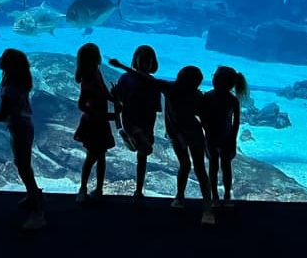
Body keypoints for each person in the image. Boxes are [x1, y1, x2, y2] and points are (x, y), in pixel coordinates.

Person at [111, 59, 214, 225]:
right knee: (198, 168)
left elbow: (146, 79)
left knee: (186, 165)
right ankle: (205, 207)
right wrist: (208, 141)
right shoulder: (195, 94)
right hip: (192, 134)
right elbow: (204, 120)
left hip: (178, 135)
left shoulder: (172, 88)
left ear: (180, 77)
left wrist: (122, 66)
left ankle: (181, 199)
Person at [0, 49, 45, 230]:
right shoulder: (21, 81)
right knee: (24, 164)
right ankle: (33, 195)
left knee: (23, 166)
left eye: (3, 58)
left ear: (10, 64)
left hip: (19, 127)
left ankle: (38, 213)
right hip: (25, 125)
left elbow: (1, 115)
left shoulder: (9, 87)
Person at [112, 44, 160, 199]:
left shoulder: (153, 82)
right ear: (135, 61)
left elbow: (155, 109)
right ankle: (128, 134)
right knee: (146, 150)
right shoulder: (125, 78)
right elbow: (118, 102)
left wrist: (151, 130)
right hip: (130, 119)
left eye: (148, 61)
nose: (145, 64)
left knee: (142, 155)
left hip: (146, 122)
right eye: (142, 60)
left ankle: (139, 190)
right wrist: (118, 122)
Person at [73, 43, 116, 204]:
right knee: (92, 156)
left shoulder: (97, 73)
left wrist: (116, 98)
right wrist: (100, 114)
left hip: (101, 121)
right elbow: (81, 105)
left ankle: (98, 189)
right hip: (93, 123)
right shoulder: (88, 78)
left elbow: (105, 93)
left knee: (101, 156)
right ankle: (82, 188)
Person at [200, 66, 247, 207]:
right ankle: (219, 195)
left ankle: (224, 195)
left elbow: (203, 117)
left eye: (216, 76)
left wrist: (232, 138)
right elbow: (236, 122)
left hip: (217, 137)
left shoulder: (210, 96)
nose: (213, 78)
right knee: (221, 167)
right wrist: (232, 138)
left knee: (218, 167)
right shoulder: (231, 99)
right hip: (222, 137)